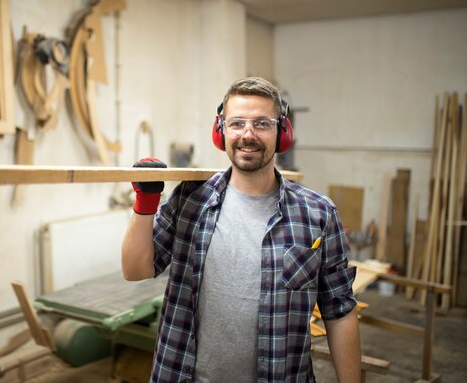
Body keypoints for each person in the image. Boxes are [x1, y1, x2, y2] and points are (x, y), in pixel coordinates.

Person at [122, 77, 361, 383]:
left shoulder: (317, 214)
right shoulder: (189, 199)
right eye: (237, 124)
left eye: (262, 123)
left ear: (282, 133)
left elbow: (339, 312)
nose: (248, 135)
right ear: (221, 132)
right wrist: (145, 202)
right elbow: (135, 269)